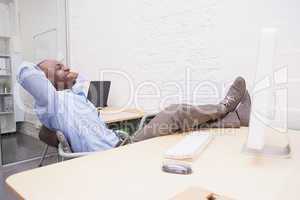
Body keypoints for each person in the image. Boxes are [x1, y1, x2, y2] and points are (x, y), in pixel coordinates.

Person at [18, 59, 250, 153]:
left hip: (121, 143)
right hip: (109, 156)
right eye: (59, 67)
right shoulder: (50, 104)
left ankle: (236, 118)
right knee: (175, 112)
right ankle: (224, 107)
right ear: (45, 80)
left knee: (179, 123)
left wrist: (68, 76)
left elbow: (82, 86)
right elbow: (25, 72)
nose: (67, 68)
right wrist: (47, 72)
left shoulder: (75, 97)